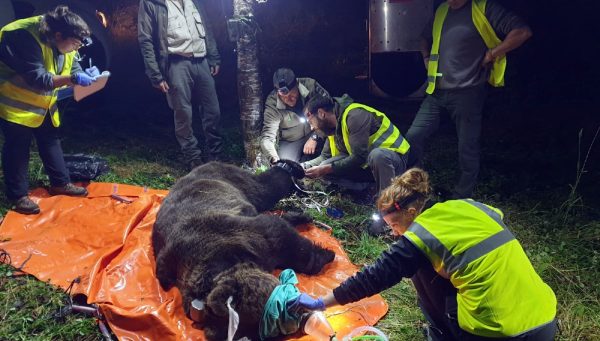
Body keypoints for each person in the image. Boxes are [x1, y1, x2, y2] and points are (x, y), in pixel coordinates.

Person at [294, 168, 558, 340]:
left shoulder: (421, 236)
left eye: (395, 226)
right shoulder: (469, 206)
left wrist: (321, 303)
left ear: (411, 213)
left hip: (501, 331)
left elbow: (374, 277)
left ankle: (441, 334)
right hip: (545, 319)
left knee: (420, 267)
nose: (395, 234)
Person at [406, 0, 532, 199]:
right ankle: (417, 187)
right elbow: (424, 37)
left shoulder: (483, 8)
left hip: (468, 93)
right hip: (437, 92)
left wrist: (493, 53)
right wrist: (425, 57)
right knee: (413, 136)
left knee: (467, 147)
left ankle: (462, 195)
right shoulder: (442, 10)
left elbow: (522, 32)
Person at [0, 5, 97, 215]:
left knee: (50, 139)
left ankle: (60, 183)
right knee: (18, 147)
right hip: (15, 101)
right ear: (58, 35)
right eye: (74, 43)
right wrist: (72, 80)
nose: (76, 48)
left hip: (42, 103)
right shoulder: (23, 36)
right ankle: (18, 196)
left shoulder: (64, 40)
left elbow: (72, 63)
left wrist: (82, 73)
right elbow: (38, 78)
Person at [302, 95, 413, 235]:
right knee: (325, 165)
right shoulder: (332, 128)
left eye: (310, 119)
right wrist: (302, 166)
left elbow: (359, 157)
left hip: (393, 161)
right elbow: (325, 157)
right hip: (369, 165)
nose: (311, 127)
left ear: (321, 113)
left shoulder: (355, 116)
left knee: (376, 155)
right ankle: (368, 189)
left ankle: (386, 212)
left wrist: (325, 169)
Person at [138, 0, 223, 169]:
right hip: (176, 63)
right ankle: (193, 158)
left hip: (202, 60)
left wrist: (213, 56)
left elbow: (207, 27)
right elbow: (145, 39)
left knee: (213, 111)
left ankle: (217, 156)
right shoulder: (151, 3)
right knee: (183, 113)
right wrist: (156, 74)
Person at [260, 68, 330, 164]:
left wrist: (315, 137)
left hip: (317, 130)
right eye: (283, 97)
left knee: (330, 150)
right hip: (292, 140)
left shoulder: (310, 86)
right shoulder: (272, 103)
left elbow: (330, 110)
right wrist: (273, 158)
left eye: (292, 95)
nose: (289, 99)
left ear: (297, 85)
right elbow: (267, 137)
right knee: (287, 165)